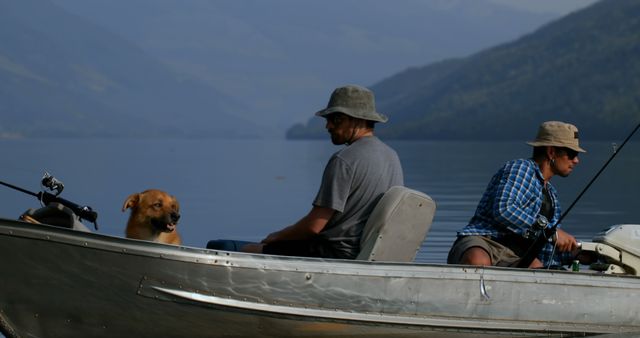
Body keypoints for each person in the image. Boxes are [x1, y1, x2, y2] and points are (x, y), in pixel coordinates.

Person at [207, 85, 404, 259]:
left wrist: (277, 236)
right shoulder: (392, 157)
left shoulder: (344, 160)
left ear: (357, 120)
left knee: (221, 247)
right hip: (365, 253)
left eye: (336, 119)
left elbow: (313, 227)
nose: (328, 126)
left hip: (331, 253)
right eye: (328, 119)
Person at [447, 121, 590, 268]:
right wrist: (550, 233)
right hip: (485, 241)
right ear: (551, 152)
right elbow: (504, 209)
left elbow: (547, 250)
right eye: (572, 154)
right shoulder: (521, 168)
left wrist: (575, 254)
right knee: (478, 260)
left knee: (537, 268)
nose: (576, 160)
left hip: (515, 256)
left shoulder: (552, 197)